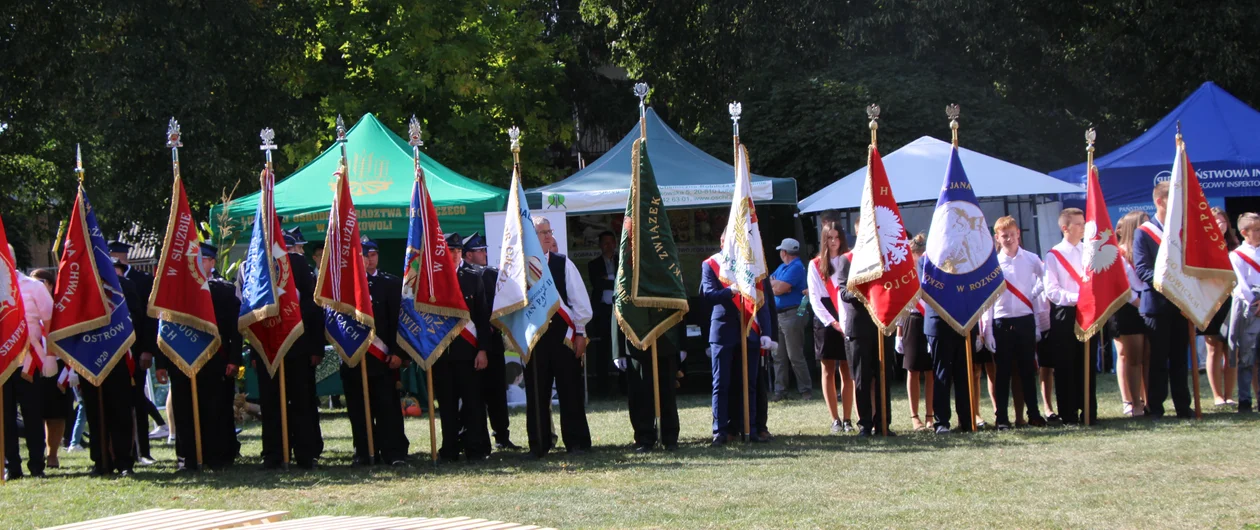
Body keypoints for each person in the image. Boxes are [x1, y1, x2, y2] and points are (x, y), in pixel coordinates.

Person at [155, 242, 242, 471]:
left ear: (212, 262)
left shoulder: (224, 290)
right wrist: (161, 364)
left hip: (214, 360)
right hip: (181, 360)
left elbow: (235, 330)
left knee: (213, 409)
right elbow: (164, 329)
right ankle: (187, 458)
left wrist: (234, 359)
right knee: (184, 410)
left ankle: (214, 457)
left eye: (201, 259)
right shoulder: (174, 291)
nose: (195, 264)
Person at [524, 218, 593, 457]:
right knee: (536, 394)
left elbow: (580, 303)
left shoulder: (564, 264)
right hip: (534, 341)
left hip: (563, 339)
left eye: (548, 231)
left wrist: (581, 333)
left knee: (570, 391)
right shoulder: (520, 269)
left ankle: (577, 442)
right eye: (541, 232)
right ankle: (539, 444)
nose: (547, 236)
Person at [255, 229, 324, 469]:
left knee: (302, 402)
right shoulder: (259, 262)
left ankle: (305, 454)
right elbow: (253, 310)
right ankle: (273, 454)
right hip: (268, 346)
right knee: (271, 403)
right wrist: (255, 352)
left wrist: (316, 348)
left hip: (299, 345)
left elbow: (312, 306)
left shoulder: (296, 263)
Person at [341, 238, 409, 465]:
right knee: (359, 411)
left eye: (373, 254)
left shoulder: (390, 284)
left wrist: (399, 352)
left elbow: (400, 322)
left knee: (387, 409)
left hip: (384, 359)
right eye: (364, 255)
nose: (369, 259)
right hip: (355, 358)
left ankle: (394, 453)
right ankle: (365, 451)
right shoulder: (344, 288)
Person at [978, 217, 1047, 430]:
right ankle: (1002, 418)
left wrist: (1032, 294)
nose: (1008, 238)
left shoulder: (1031, 259)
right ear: (997, 238)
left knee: (1028, 370)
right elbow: (988, 298)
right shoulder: (994, 264)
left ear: (1018, 233)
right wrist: (987, 330)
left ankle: (1034, 414)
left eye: (1011, 234)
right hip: (1001, 322)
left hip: (1025, 320)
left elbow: (1047, 277)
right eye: (1003, 235)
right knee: (1003, 373)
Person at [701, 247, 773, 446]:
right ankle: (720, 431)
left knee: (749, 384)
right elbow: (708, 294)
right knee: (721, 384)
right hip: (723, 330)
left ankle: (750, 429)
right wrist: (729, 291)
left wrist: (766, 332)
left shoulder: (751, 265)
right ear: (723, 241)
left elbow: (762, 301)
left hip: (749, 330)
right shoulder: (710, 264)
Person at [1133, 182, 1193, 419]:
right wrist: (1170, 287)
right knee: (1157, 359)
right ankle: (1155, 407)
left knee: (1180, 359)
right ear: (1160, 201)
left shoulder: (1182, 230)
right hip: (1157, 305)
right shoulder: (1144, 232)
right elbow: (1142, 269)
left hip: (1182, 304)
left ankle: (1182, 406)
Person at [432, 233, 491, 462]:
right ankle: (450, 448)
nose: (455, 256)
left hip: (469, 352)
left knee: (473, 403)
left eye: (457, 251)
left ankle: (475, 448)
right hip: (442, 354)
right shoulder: (433, 279)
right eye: (450, 251)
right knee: (446, 405)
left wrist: (483, 350)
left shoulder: (473, 277)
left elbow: (482, 316)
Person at [462, 233, 519, 450]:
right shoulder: (459, 276)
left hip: (492, 342)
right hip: (467, 343)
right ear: (468, 255)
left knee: (496, 391)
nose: (485, 253)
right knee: (471, 394)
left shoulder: (492, 274)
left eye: (485, 250)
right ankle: (472, 437)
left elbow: (504, 301)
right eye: (479, 250)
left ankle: (502, 436)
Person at [836, 234, 895, 437]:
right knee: (861, 379)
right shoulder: (847, 260)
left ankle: (883, 423)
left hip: (882, 325)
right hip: (859, 328)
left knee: (883, 377)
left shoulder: (885, 259)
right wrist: (867, 290)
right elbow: (843, 292)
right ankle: (865, 425)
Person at [1044, 207, 1099, 425]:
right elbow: (1052, 290)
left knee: (1087, 362)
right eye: (1078, 223)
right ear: (1065, 228)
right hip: (1065, 314)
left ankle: (1088, 411)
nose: (1083, 226)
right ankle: (1068, 413)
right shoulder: (1054, 255)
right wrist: (1078, 298)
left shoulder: (1090, 251)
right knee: (1065, 364)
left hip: (1088, 312)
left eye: (1083, 222)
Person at [108, 240, 160, 464]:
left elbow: (149, 318)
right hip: (108, 351)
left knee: (137, 400)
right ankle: (113, 452)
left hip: (136, 351)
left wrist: (147, 350)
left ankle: (142, 451)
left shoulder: (142, 280)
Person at [3, 257, 55, 480]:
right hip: (3, 364)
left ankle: (37, 465)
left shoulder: (33, 287)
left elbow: (51, 319)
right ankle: (12, 466)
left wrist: (51, 355)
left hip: (29, 363)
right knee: (5, 418)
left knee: (33, 416)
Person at [807, 222, 855, 433]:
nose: (834, 241)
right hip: (825, 317)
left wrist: (843, 319)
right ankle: (834, 419)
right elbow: (815, 299)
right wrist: (831, 321)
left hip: (846, 311)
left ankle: (847, 419)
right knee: (828, 369)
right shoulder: (815, 265)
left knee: (847, 368)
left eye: (837, 237)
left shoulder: (850, 260)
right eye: (830, 238)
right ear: (824, 240)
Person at [28, 268, 70, 467]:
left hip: (58, 365)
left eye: (41, 282)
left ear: (51, 285)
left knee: (56, 412)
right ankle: (37, 454)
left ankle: (52, 454)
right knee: (35, 412)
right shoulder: (26, 305)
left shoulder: (60, 307)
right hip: (32, 364)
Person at [1112, 211, 1151, 416]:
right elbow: (1122, 287)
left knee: (1148, 356)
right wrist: (1139, 304)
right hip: (1129, 308)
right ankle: (1134, 403)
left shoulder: (1147, 249)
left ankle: (1149, 401)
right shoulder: (1118, 253)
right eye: (1143, 224)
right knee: (1132, 357)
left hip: (1149, 306)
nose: (1147, 228)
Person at [898, 233, 934, 431]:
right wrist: (899, 333)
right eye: (914, 254)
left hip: (930, 319)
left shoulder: (930, 270)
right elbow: (902, 305)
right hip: (912, 320)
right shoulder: (906, 275)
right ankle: (914, 417)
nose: (917, 258)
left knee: (930, 370)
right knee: (912, 369)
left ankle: (930, 415)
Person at [1203, 207, 1238, 406]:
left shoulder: (1236, 247)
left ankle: (1230, 394)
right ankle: (1217, 396)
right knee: (1213, 347)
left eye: (1222, 221)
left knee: (1231, 349)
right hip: (1211, 302)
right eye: (1214, 221)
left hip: (1233, 302)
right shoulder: (1202, 247)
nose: (1219, 225)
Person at [770, 238, 812, 401]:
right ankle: (780, 390)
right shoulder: (784, 267)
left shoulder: (795, 268)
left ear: (784, 252)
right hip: (780, 315)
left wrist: (777, 285)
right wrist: (777, 285)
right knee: (778, 356)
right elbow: (771, 283)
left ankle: (805, 390)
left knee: (795, 354)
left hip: (793, 314)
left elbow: (778, 289)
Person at [1228, 212, 1260, 413]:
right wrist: (1255, 302)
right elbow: (1239, 284)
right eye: (1256, 230)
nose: (1259, 233)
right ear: (1244, 232)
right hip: (1250, 308)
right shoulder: (1236, 255)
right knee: (1247, 356)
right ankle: (1245, 400)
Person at [585, 231, 619, 398]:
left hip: (620, 311)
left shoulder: (623, 261)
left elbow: (624, 282)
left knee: (621, 346)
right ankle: (602, 386)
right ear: (600, 245)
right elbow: (597, 284)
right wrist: (614, 279)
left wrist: (609, 278)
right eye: (605, 243)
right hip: (602, 312)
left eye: (611, 242)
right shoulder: (594, 264)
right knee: (602, 349)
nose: (608, 246)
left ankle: (623, 384)